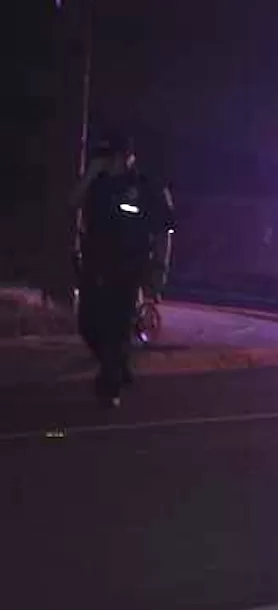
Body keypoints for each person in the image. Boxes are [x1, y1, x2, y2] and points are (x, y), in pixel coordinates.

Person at [71, 132, 175, 408]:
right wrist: (90, 174)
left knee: (116, 329)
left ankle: (110, 387)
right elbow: (74, 202)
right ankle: (119, 366)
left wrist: (159, 269)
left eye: (114, 157)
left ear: (127, 157)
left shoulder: (144, 186)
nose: (111, 163)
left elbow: (165, 228)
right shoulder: (99, 184)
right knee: (88, 324)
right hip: (95, 267)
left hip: (128, 269)